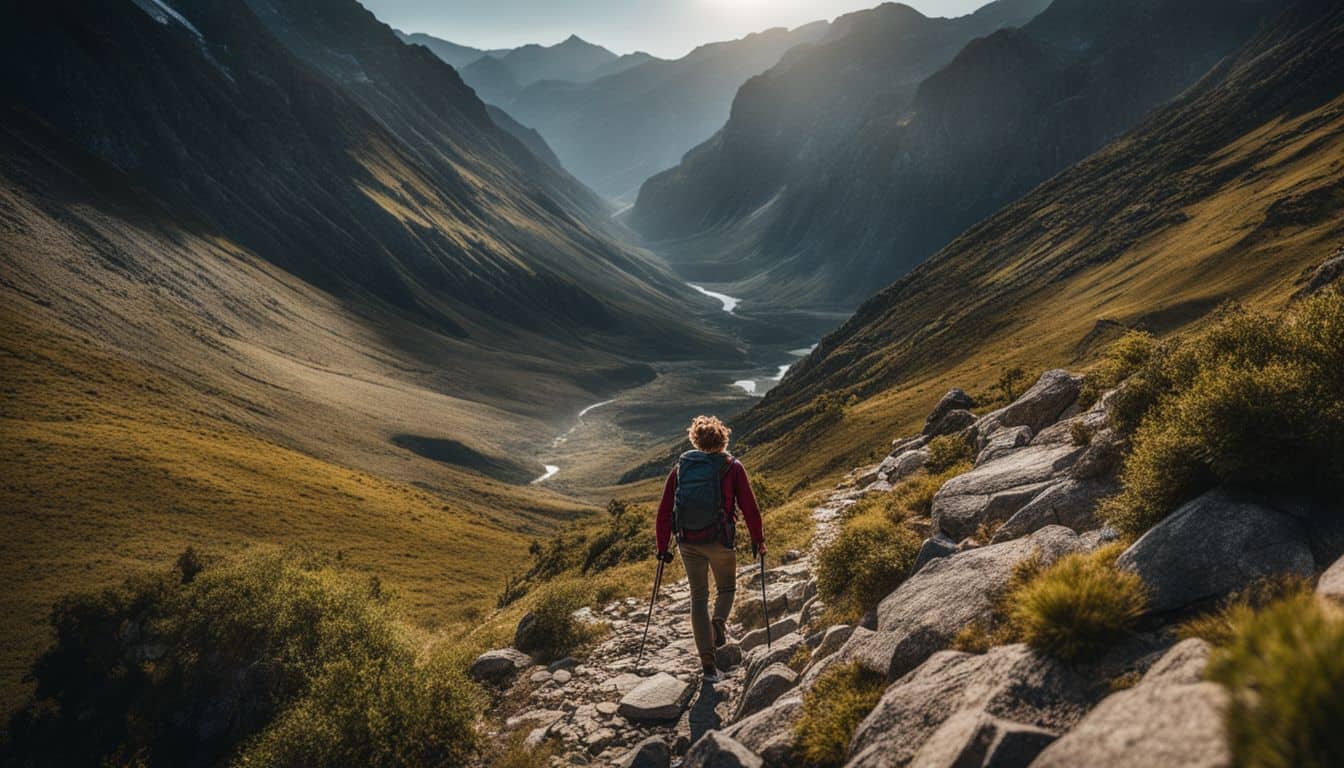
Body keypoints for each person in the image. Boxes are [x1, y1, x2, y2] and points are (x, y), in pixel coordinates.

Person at [655, 415, 764, 682]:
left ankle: (707, 664)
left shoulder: (681, 468)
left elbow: (664, 511)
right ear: (723, 440)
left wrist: (662, 547)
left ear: (695, 439)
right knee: (727, 588)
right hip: (720, 540)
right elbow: (749, 507)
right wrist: (758, 539)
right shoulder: (732, 467)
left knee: (698, 597)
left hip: (687, 541)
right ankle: (718, 623)